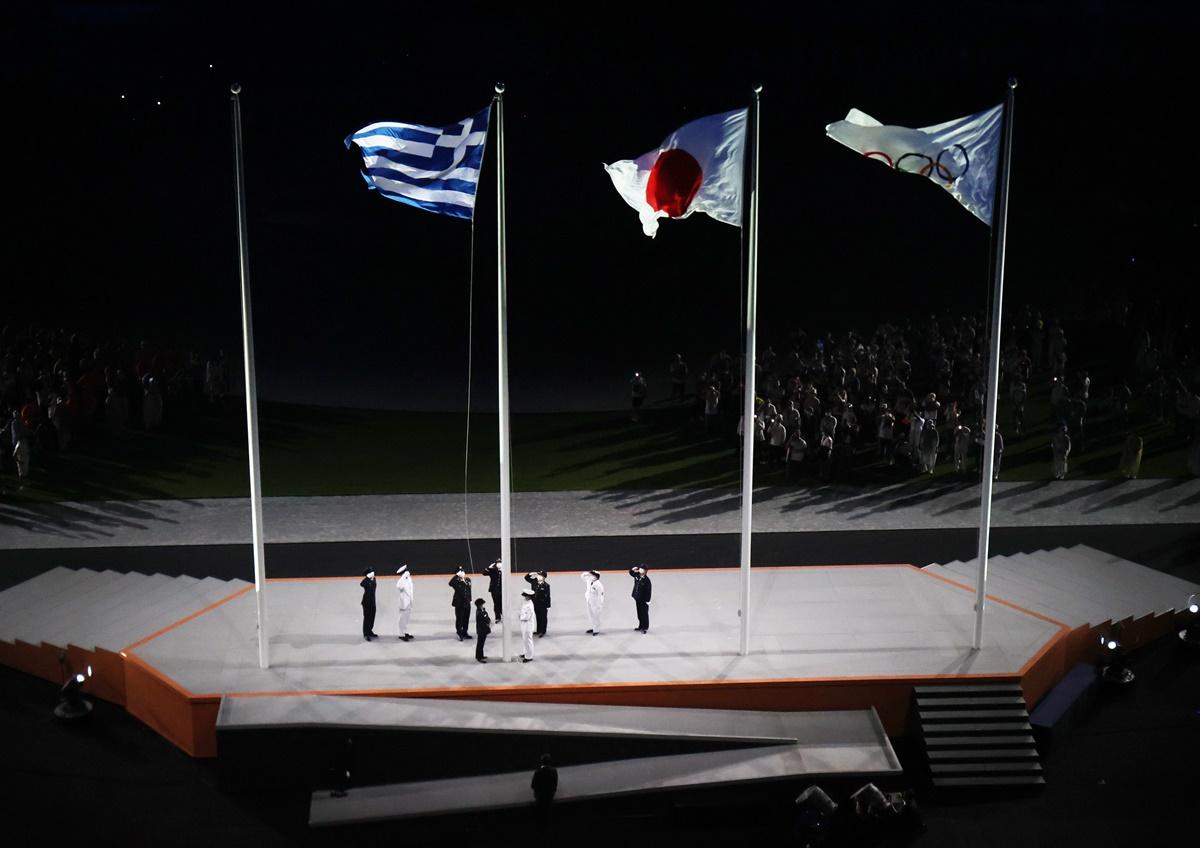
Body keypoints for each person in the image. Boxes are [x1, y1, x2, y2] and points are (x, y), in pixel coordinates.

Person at [525, 571, 551, 637]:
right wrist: (531, 573)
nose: (538, 576)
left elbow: (548, 595)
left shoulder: (546, 585)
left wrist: (548, 605)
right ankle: (538, 630)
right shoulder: (534, 582)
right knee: (538, 617)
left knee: (543, 618)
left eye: (540, 575)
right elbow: (526, 578)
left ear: (544, 577)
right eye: (538, 575)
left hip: (542, 604)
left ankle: (543, 631)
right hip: (535, 603)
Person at [449, 568, 472, 641]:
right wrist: (456, 576)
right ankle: (459, 632)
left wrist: (470, 599)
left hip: (467, 602)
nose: (462, 573)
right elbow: (450, 583)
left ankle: (465, 632)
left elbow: (469, 590)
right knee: (460, 618)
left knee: (466, 618)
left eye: (463, 571)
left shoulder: (468, 580)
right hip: (459, 603)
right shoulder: (456, 582)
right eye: (460, 572)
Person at [630, 565, 652, 633]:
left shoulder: (647, 581)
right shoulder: (637, 575)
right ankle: (640, 626)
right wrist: (632, 569)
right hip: (637, 598)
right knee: (639, 613)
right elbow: (631, 573)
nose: (640, 570)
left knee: (644, 614)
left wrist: (648, 601)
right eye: (640, 568)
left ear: (645, 571)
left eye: (642, 569)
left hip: (644, 600)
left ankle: (645, 627)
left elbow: (648, 591)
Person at [395, 564, 414, 641]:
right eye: (406, 571)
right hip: (403, 603)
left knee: (406, 619)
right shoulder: (401, 580)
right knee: (402, 619)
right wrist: (403, 577)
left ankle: (404, 632)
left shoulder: (408, 579)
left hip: (409, 602)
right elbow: (398, 586)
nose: (408, 572)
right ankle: (401, 634)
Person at [582, 570, 604, 634]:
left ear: (595, 577)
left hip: (596, 602)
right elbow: (582, 576)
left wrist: (600, 604)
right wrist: (587, 573)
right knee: (591, 615)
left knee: (596, 616)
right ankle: (593, 627)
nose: (590, 576)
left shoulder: (599, 585)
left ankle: (596, 630)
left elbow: (601, 595)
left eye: (592, 575)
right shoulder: (589, 581)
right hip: (589, 600)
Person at [359, 569, 378, 641]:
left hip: (372, 601)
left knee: (372, 617)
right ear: (367, 574)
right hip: (366, 602)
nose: (373, 573)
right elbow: (361, 584)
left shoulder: (374, 579)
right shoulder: (365, 581)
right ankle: (366, 633)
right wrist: (367, 578)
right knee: (367, 618)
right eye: (370, 572)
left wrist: (371, 578)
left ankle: (370, 631)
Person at [519, 590, 536, 662]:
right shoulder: (526, 602)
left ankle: (529, 657)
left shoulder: (529, 605)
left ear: (529, 596)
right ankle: (525, 653)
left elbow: (527, 616)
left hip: (527, 625)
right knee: (525, 640)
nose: (524, 597)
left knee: (528, 641)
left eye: (525, 596)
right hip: (524, 625)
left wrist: (520, 617)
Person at [474, 598, 491, 663]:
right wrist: (487, 624)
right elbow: (482, 621)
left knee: (481, 644)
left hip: (483, 630)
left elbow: (486, 616)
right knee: (480, 644)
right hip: (482, 630)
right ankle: (479, 657)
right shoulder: (479, 612)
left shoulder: (482, 610)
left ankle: (480, 655)